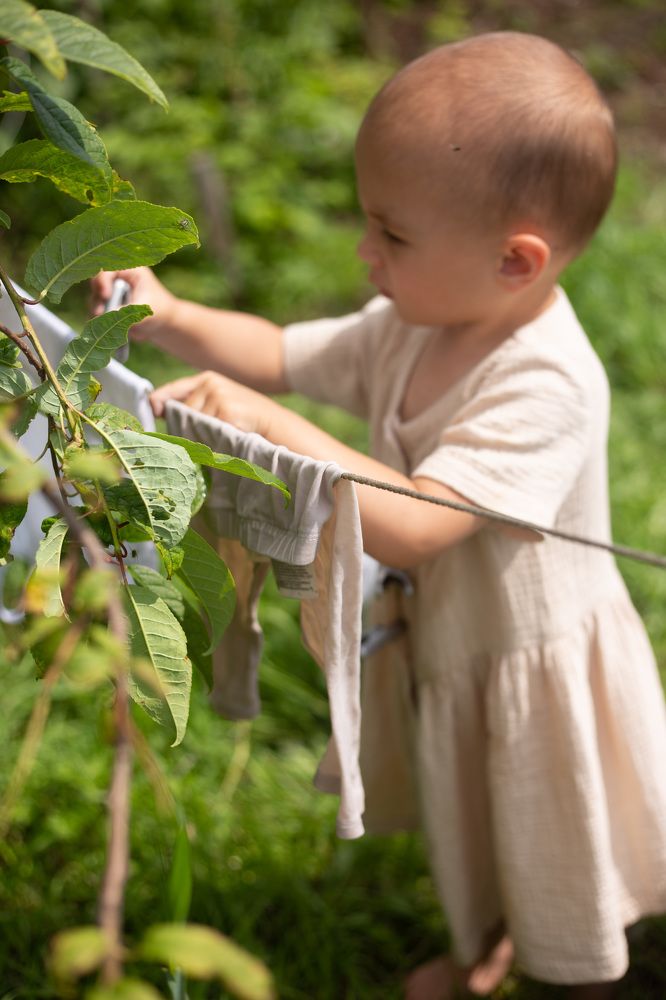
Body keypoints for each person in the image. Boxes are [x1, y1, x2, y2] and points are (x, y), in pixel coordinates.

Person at [91, 31, 666, 999]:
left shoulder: (549, 379)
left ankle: (571, 972)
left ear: (515, 261)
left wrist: (274, 427)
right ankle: (491, 940)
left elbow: (424, 520)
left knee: (552, 835)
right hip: (454, 649)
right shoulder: (413, 322)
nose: (366, 253)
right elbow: (279, 349)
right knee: (477, 823)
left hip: (536, 663)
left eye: (391, 235)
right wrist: (177, 315)